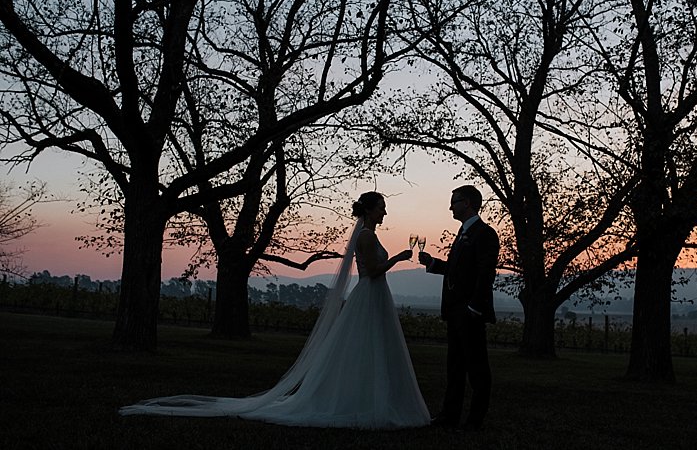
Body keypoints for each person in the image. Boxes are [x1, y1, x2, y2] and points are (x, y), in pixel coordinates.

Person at [120, 191, 430, 429]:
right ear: (370, 209)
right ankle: (360, 403)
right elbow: (371, 272)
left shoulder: (368, 235)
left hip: (376, 298)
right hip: (370, 295)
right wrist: (399, 258)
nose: (385, 211)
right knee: (363, 348)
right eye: (381, 207)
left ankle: (375, 400)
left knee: (373, 350)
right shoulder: (365, 236)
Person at [418, 185, 499, 431]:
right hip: (455, 311)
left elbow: (486, 273)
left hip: (469, 312)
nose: (450, 206)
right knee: (454, 365)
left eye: (454, 201)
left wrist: (475, 308)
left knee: (476, 367)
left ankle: (475, 420)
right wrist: (432, 263)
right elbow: (457, 270)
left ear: (468, 203)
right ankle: (449, 415)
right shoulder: (463, 233)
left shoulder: (484, 233)